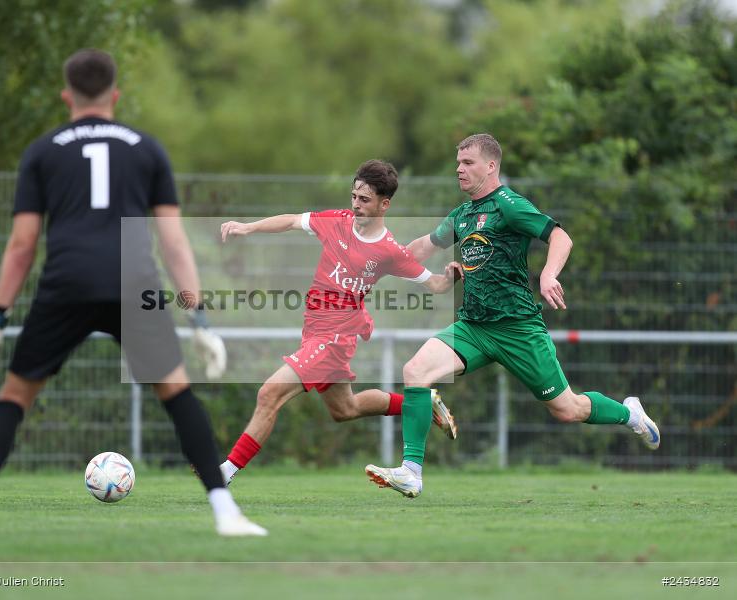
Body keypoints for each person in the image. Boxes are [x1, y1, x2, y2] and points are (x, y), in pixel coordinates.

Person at [0, 49, 266, 537]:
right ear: (115, 94)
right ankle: (227, 515)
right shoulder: (146, 148)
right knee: (177, 394)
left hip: (66, 283)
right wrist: (198, 318)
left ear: (67, 94)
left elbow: (23, 243)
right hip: (133, 282)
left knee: (15, 396)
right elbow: (173, 240)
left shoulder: (43, 150)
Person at [365, 133, 660, 498]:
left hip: (518, 329)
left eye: (467, 163)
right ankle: (411, 472)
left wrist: (549, 274)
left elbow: (560, 236)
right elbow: (423, 247)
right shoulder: (462, 214)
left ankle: (630, 414)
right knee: (415, 371)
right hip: (474, 326)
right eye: (457, 163)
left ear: (491, 167)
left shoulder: (509, 205)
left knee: (567, 409)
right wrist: (377, 260)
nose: (459, 169)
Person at [218, 160, 463, 485]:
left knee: (269, 394)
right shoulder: (337, 221)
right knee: (344, 409)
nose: (356, 205)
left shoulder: (389, 251)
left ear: (384, 204)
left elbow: (434, 284)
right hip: (315, 332)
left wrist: (448, 278)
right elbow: (292, 220)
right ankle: (420, 404)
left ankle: (224, 471)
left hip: (335, 337)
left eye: (364, 200)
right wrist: (248, 227)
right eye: (354, 197)